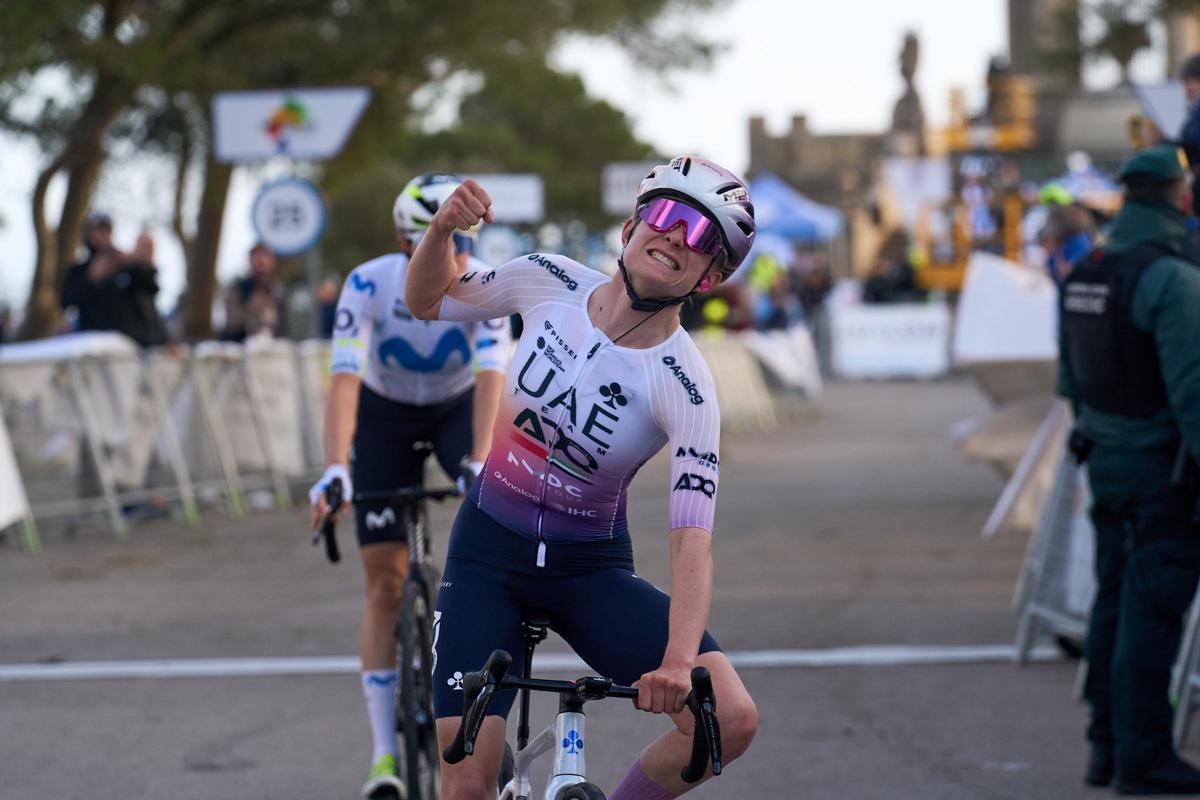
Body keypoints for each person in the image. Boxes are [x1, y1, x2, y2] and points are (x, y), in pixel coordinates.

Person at [405, 156, 759, 800]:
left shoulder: (687, 388)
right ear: (631, 227)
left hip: (589, 572)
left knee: (729, 721)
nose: (678, 237)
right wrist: (440, 234)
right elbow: (426, 298)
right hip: (488, 558)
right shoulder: (546, 280)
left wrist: (679, 662)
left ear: (709, 277)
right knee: (465, 786)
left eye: (703, 238)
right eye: (667, 215)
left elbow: (691, 539)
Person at [307, 173, 510, 800]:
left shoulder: (487, 285)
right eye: (432, 242)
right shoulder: (367, 283)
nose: (452, 258)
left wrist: (479, 461)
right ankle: (384, 757)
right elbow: (344, 376)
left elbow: (490, 377)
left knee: (495, 529)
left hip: (457, 411)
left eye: (461, 244)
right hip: (386, 415)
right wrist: (336, 464)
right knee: (383, 584)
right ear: (404, 243)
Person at [1059, 145, 1200, 794]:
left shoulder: (1089, 268)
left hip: (1107, 461)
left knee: (1112, 605)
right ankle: (1143, 758)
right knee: (1151, 613)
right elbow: (1193, 392)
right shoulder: (1172, 279)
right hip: (1160, 474)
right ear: (1179, 194)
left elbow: (1071, 381)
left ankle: (1105, 746)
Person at [60, 214, 168, 347]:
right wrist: (91, 279)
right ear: (88, 234)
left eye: (106, 231)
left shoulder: (125, 265)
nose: (103, 235)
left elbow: (151, 291)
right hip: (91, 343)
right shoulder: (79, 271)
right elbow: (65, 301)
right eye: (98, 231)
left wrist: (144, 265)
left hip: (125, 344)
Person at [222, 243, 287, 341]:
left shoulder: (278, 291)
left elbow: (283, 326)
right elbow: (233, 321)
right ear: (250, 259)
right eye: (257, 256)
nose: (261, 260)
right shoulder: (237, 288)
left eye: (265, 256)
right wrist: (252, 308)